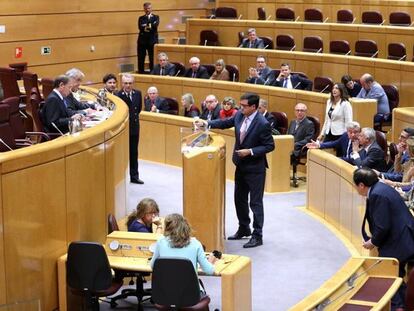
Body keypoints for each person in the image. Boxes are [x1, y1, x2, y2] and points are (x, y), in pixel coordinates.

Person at [195, 93, 275, 248]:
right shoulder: (239, 115)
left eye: (244, 106)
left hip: (255, 168)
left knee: (255, 203)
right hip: (240, 164)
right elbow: (226, 122)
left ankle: (257, 235)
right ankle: (244, 228)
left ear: (253, 107)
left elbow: (270, 146)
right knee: (239, 199)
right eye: (241, 105)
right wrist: (207, 123)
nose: (240, 108)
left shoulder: (262, 123)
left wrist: (250, 151)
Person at [353, 168, 414, 310]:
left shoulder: (377, 195)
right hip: (401, 237)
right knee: (396, 275)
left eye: (355, 185)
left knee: (386, 272)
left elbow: (383, 226)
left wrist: (372, 242)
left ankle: (398, 307)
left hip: (400, 240)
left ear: (361, 185)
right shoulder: (380, 188)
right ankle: (402, 304)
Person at [150, 213, 217, 282]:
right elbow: (209, 271)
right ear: (186, 226)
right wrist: (211, 262)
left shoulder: (161, 242)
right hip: (190, 291)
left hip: (165, 291)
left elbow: (152, 266)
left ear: (167, 228)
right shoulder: (195, 244)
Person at [116, 74, 144, 184]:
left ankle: (134, 176)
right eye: (125, 83)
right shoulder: (118, 95)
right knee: (122, 153)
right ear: (122, 83)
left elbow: (139, 109)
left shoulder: (138, 93)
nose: (128, 85)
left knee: (134, 152)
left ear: (133, 83)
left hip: (134, 128)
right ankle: (121, 178)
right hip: (123, 129)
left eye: (130, 83)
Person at [137, 2, 159, 73]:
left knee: (152, 57)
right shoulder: (141, 18)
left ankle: (152, 72)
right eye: (146, 8)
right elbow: (140, 27)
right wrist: (150, 26)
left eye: (149, 8)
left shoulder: (156, 17)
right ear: (144, 9)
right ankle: (141, 72)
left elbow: (155, 26)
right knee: (141, 57)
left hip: (152, 41)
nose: (147, 10)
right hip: (142, 41)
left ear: (151, 8)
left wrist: (146, 26)